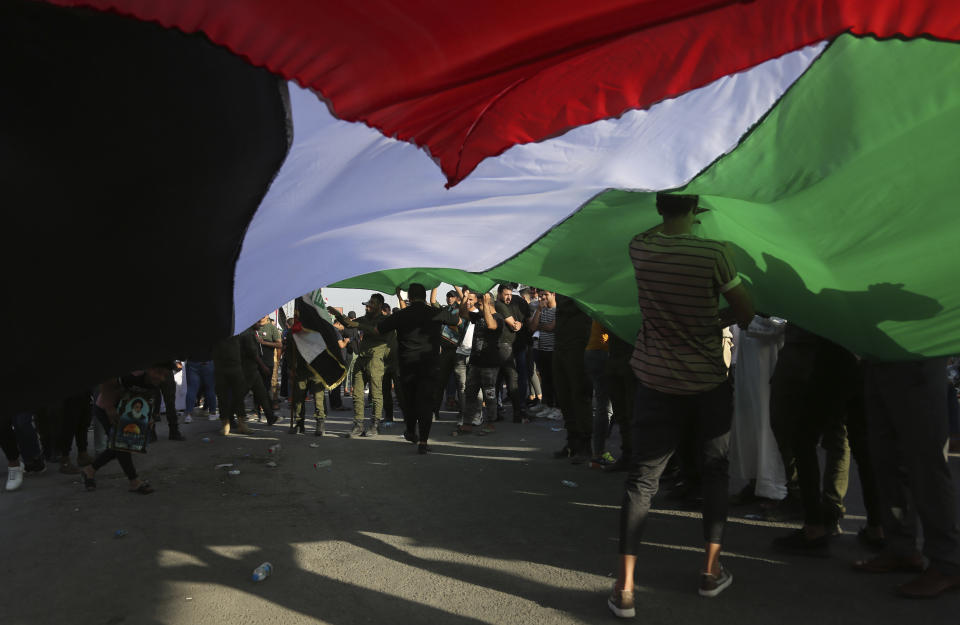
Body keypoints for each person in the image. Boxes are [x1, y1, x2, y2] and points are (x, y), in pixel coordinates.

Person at [608, 193, 754, 618]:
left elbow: (655, 230)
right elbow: (746, 310)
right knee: (713, 472)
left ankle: (626, 586)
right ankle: (710, 572)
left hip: (655, 381)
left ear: (658, 208)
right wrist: (711, 321)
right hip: (707, 381)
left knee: (643, 481)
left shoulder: (641, 247)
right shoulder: (716, 252)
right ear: (697, 208)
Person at [853, 357, 960, 598]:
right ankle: (900, 548)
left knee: (927, 465)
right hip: (879, 357)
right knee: (886, 460)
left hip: (917, 356)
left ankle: (947, 563)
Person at [376, 283, 460, 453]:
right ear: (424, 295)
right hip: (429, 365)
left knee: (409, 401)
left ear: (410, 297)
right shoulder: (435, 312)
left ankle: (410, 431)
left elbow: (379, 329)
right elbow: (456, 320)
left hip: (407, 365)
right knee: (426, 403)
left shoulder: (401, 314)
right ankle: (423, 441)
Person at [79, 363, 175, 495]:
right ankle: (134, 481)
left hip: (125, 410)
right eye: (158, 372)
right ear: (148, 368)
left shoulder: (155, 379)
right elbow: (107, 382)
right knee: (121, 445)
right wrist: (109, 408)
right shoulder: (134, 374)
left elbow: (148, 396)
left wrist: (149, 418)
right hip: (106, 409)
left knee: (119, 445)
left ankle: (90, 470)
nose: (161, 378)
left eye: (165, 374)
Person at [330, 294, 394, 437]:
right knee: (357, 393)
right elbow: (348, 323)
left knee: (376, 394)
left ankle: (375, 425)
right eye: (367, 304)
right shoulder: (364, 318)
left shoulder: (385, 320)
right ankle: (358, 425)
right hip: (362, 357)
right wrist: (338, 315)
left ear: (379, 306)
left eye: (370, 304)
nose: (367, 307)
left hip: (375, 359)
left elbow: (376, 330)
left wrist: (358, 325)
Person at [551, 294, 594, 461]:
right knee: (564, 396)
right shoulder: (560, 287)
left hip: (578, 343)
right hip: (561, 344)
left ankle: (585, 443)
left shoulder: (580, 284)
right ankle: (572, 441)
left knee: (579, 394)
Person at [455, 290, 503, 434]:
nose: (477, 306)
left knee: (489, 394)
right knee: (470, 393)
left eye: (479, 304)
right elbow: (463, 313)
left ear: (489, 304)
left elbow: (491, 325)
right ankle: (468, 422)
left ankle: (490, 423)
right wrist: (464, 297)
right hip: (475, 362)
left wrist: (486, 305)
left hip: (490, 364)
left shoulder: (498, 318)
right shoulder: (479, 316)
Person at [254, 315, 282, 419]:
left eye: (264, 314)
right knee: (255, 387)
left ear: (267, 316)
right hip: (254, 363)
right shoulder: (253, 327)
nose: (261, 316)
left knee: (267, 386)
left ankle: (270, 409)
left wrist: (264, 342)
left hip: (267, 363)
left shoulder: (271, 328)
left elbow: (279, 345)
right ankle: (258, 409)